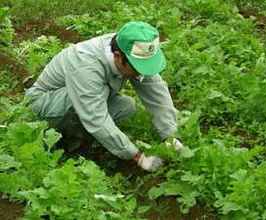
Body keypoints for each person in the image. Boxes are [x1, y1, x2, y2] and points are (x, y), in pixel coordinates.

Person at [25, 21, 184, 172]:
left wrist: (171, 137)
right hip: (43, 104)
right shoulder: (86, 66)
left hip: (83, 98)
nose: (141, 73)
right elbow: (96, 118)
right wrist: (138, 157)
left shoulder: (133, 47)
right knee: (95, 103)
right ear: (118, 56)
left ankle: (86, 137)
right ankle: (66, 145)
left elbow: (156, 92)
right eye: (137, 68)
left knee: (126, 107)